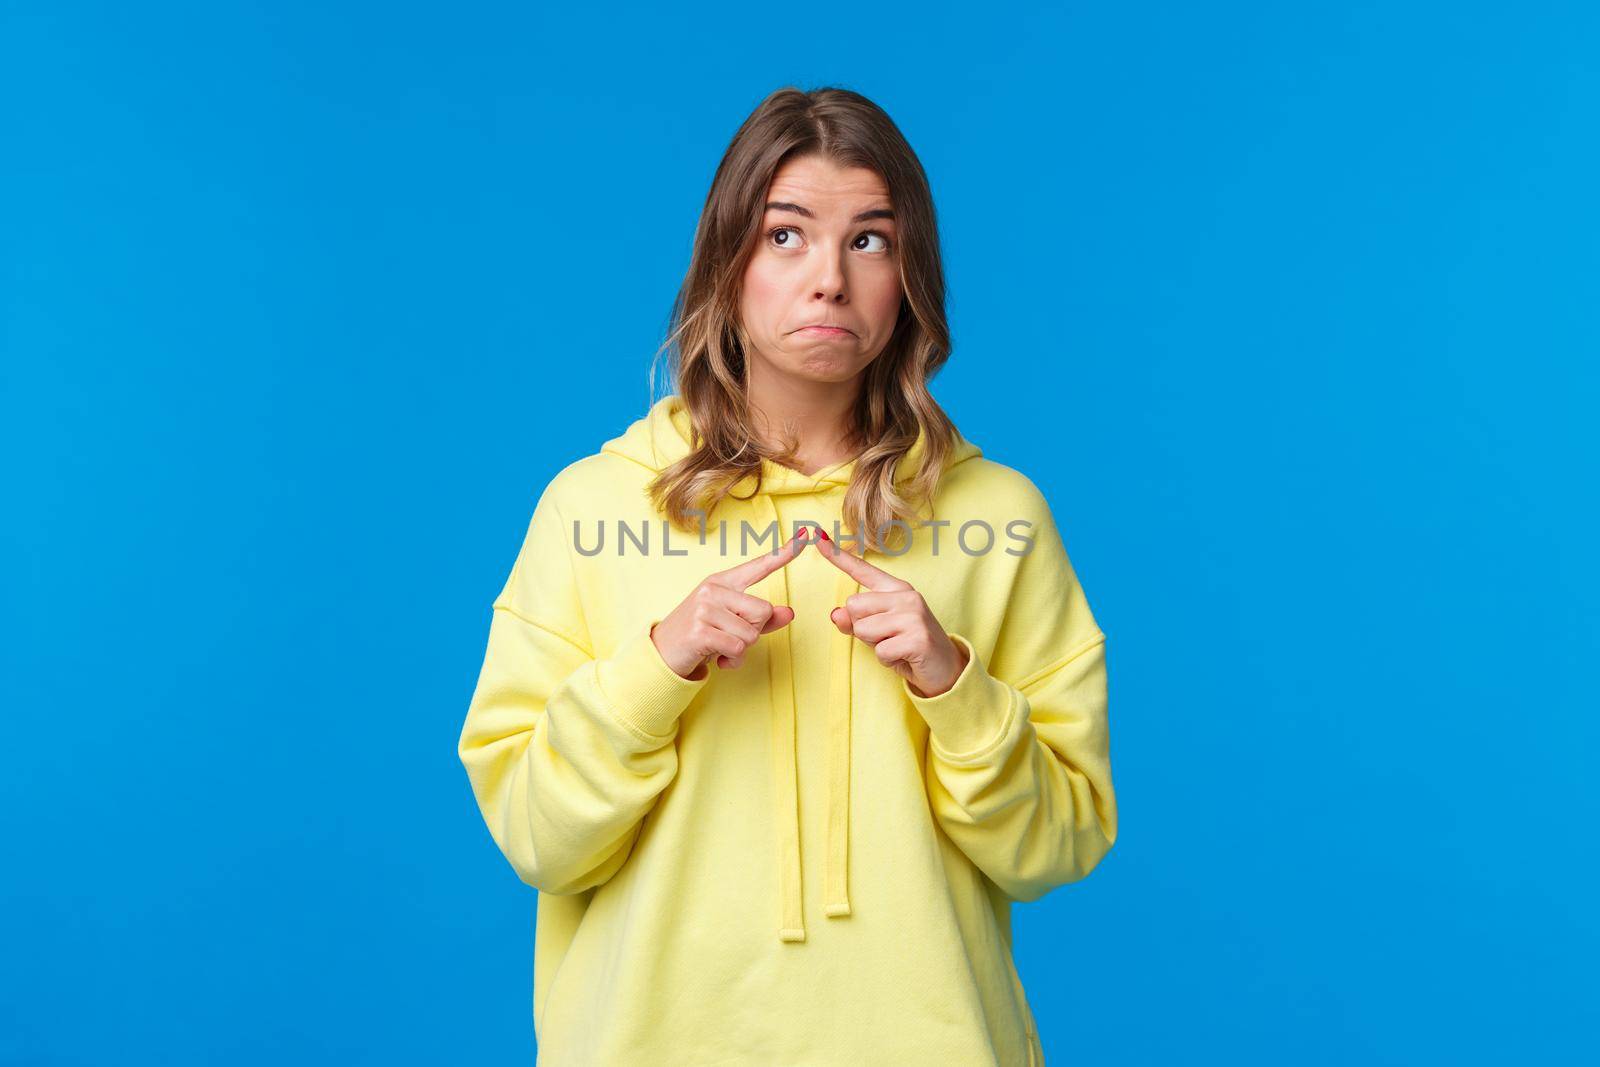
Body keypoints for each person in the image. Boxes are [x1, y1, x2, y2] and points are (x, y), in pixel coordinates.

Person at [457, 85, 1117, 1067]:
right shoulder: (593, 510)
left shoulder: (996, 519)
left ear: (910, 275)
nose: (829, 282)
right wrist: (655, 667)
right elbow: (535, 836)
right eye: (785, 235)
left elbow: (1057, 846)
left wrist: (953, 683)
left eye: (869, 240)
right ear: (727, 264)